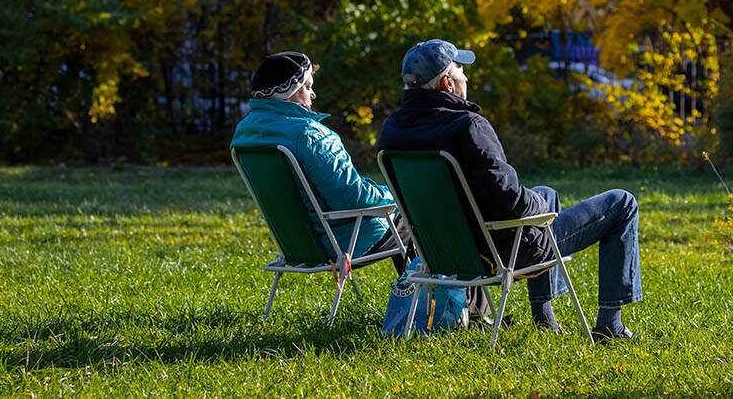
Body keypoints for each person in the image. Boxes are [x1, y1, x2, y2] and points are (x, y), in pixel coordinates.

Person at [377, 39, 641, 341]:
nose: (468, 77)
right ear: (447, 83)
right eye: (462, 70)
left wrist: (538, 199)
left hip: (445, 253)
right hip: (499, 253)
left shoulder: (392, 130)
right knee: (623, 202)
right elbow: (513, 203)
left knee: (545, 191)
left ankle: (545, 318)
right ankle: (611, 323)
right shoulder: (467, 126)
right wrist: (541, 208)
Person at [231, 51, 404, 270]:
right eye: (307, 86)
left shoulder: (244, 133)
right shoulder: (310, 134)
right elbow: (352, 197)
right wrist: (393, 196)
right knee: (414, 216)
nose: (312, 95)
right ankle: (416, 297)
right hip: (342, 244)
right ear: (289, 92)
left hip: (296, 245)